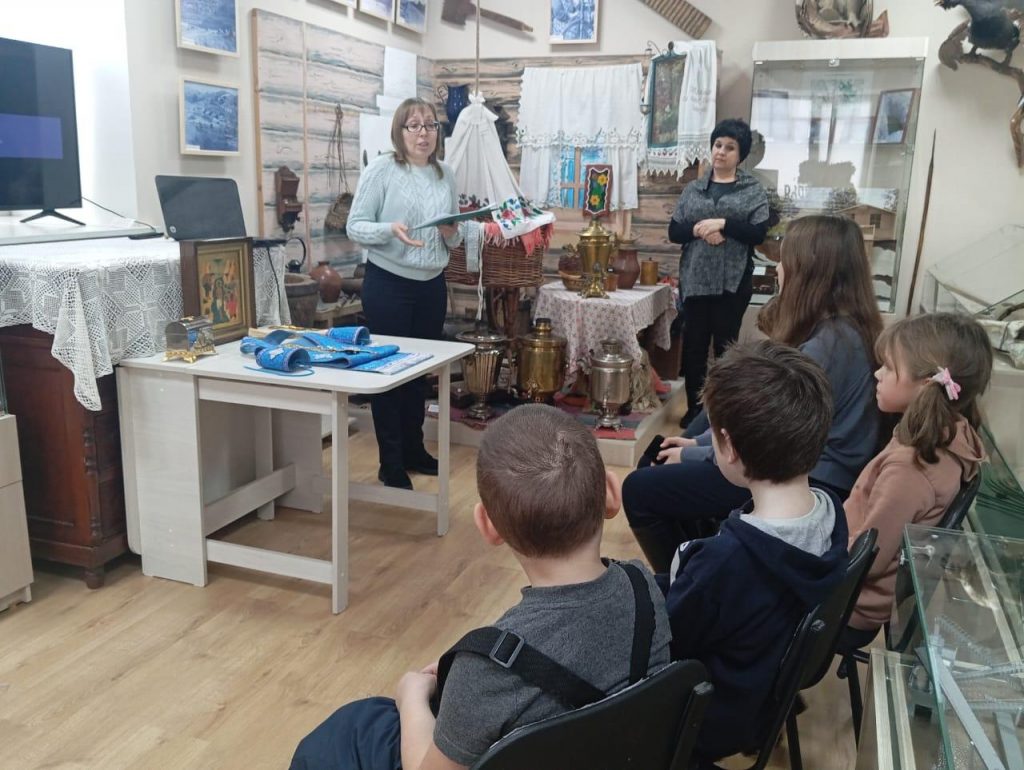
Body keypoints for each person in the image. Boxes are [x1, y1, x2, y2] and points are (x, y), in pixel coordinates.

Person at [289, 404, 671, 770]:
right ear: (611, 493)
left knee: (343, 735)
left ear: (488, 526)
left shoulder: (489, 669)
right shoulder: (644, 589)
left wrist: (411, 696)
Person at [625, 214, 883, 573]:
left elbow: (769, 437)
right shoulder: (836, 331)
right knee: (681, 439)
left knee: (639, 489)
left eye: (785, 260)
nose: (778, 268)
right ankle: (704, 562)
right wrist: (698, 444)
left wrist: (694, 454)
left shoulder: (830, 345)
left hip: (807, 480)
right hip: (796, 465)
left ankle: (686, 581)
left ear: (809, 270)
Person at [661, 340, 849, 764]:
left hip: (710, 718)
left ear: (727, 446)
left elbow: (669, 647)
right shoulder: (831, 511)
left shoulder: (726, 563)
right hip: (760, 693)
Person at [844, 313, 990, 643]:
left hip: (850, 602)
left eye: (889, 368)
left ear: (925, 384)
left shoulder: (911, 470)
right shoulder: (953, 432)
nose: (878, 374)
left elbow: (867, 559)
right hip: (854, 571)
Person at [347, 97, 463, 490]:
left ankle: (415, 450)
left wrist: (452, 232)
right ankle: (391, 461)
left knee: (418, 373)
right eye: (414, 125)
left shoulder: (446, 174)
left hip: (431, 286)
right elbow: (355, 226)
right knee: (390, 373)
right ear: (399, 132)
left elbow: (453, 237)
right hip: (389, 285)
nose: (423, 133)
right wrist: (388, 230)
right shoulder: (382, 169)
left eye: (430, 125)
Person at [669, 118, 770, 428]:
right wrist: (701, 230)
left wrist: (723, 224)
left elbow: (758, 233)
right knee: (695, 347)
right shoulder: (694, 189)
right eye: (717, 145)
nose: (721, 152)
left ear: (741, 155)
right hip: (696, 281)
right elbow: (675, 231)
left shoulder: (752, 189)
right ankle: (694, 410)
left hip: (732, 282)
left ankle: (721, 411)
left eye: (730, 147)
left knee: (726, 348)